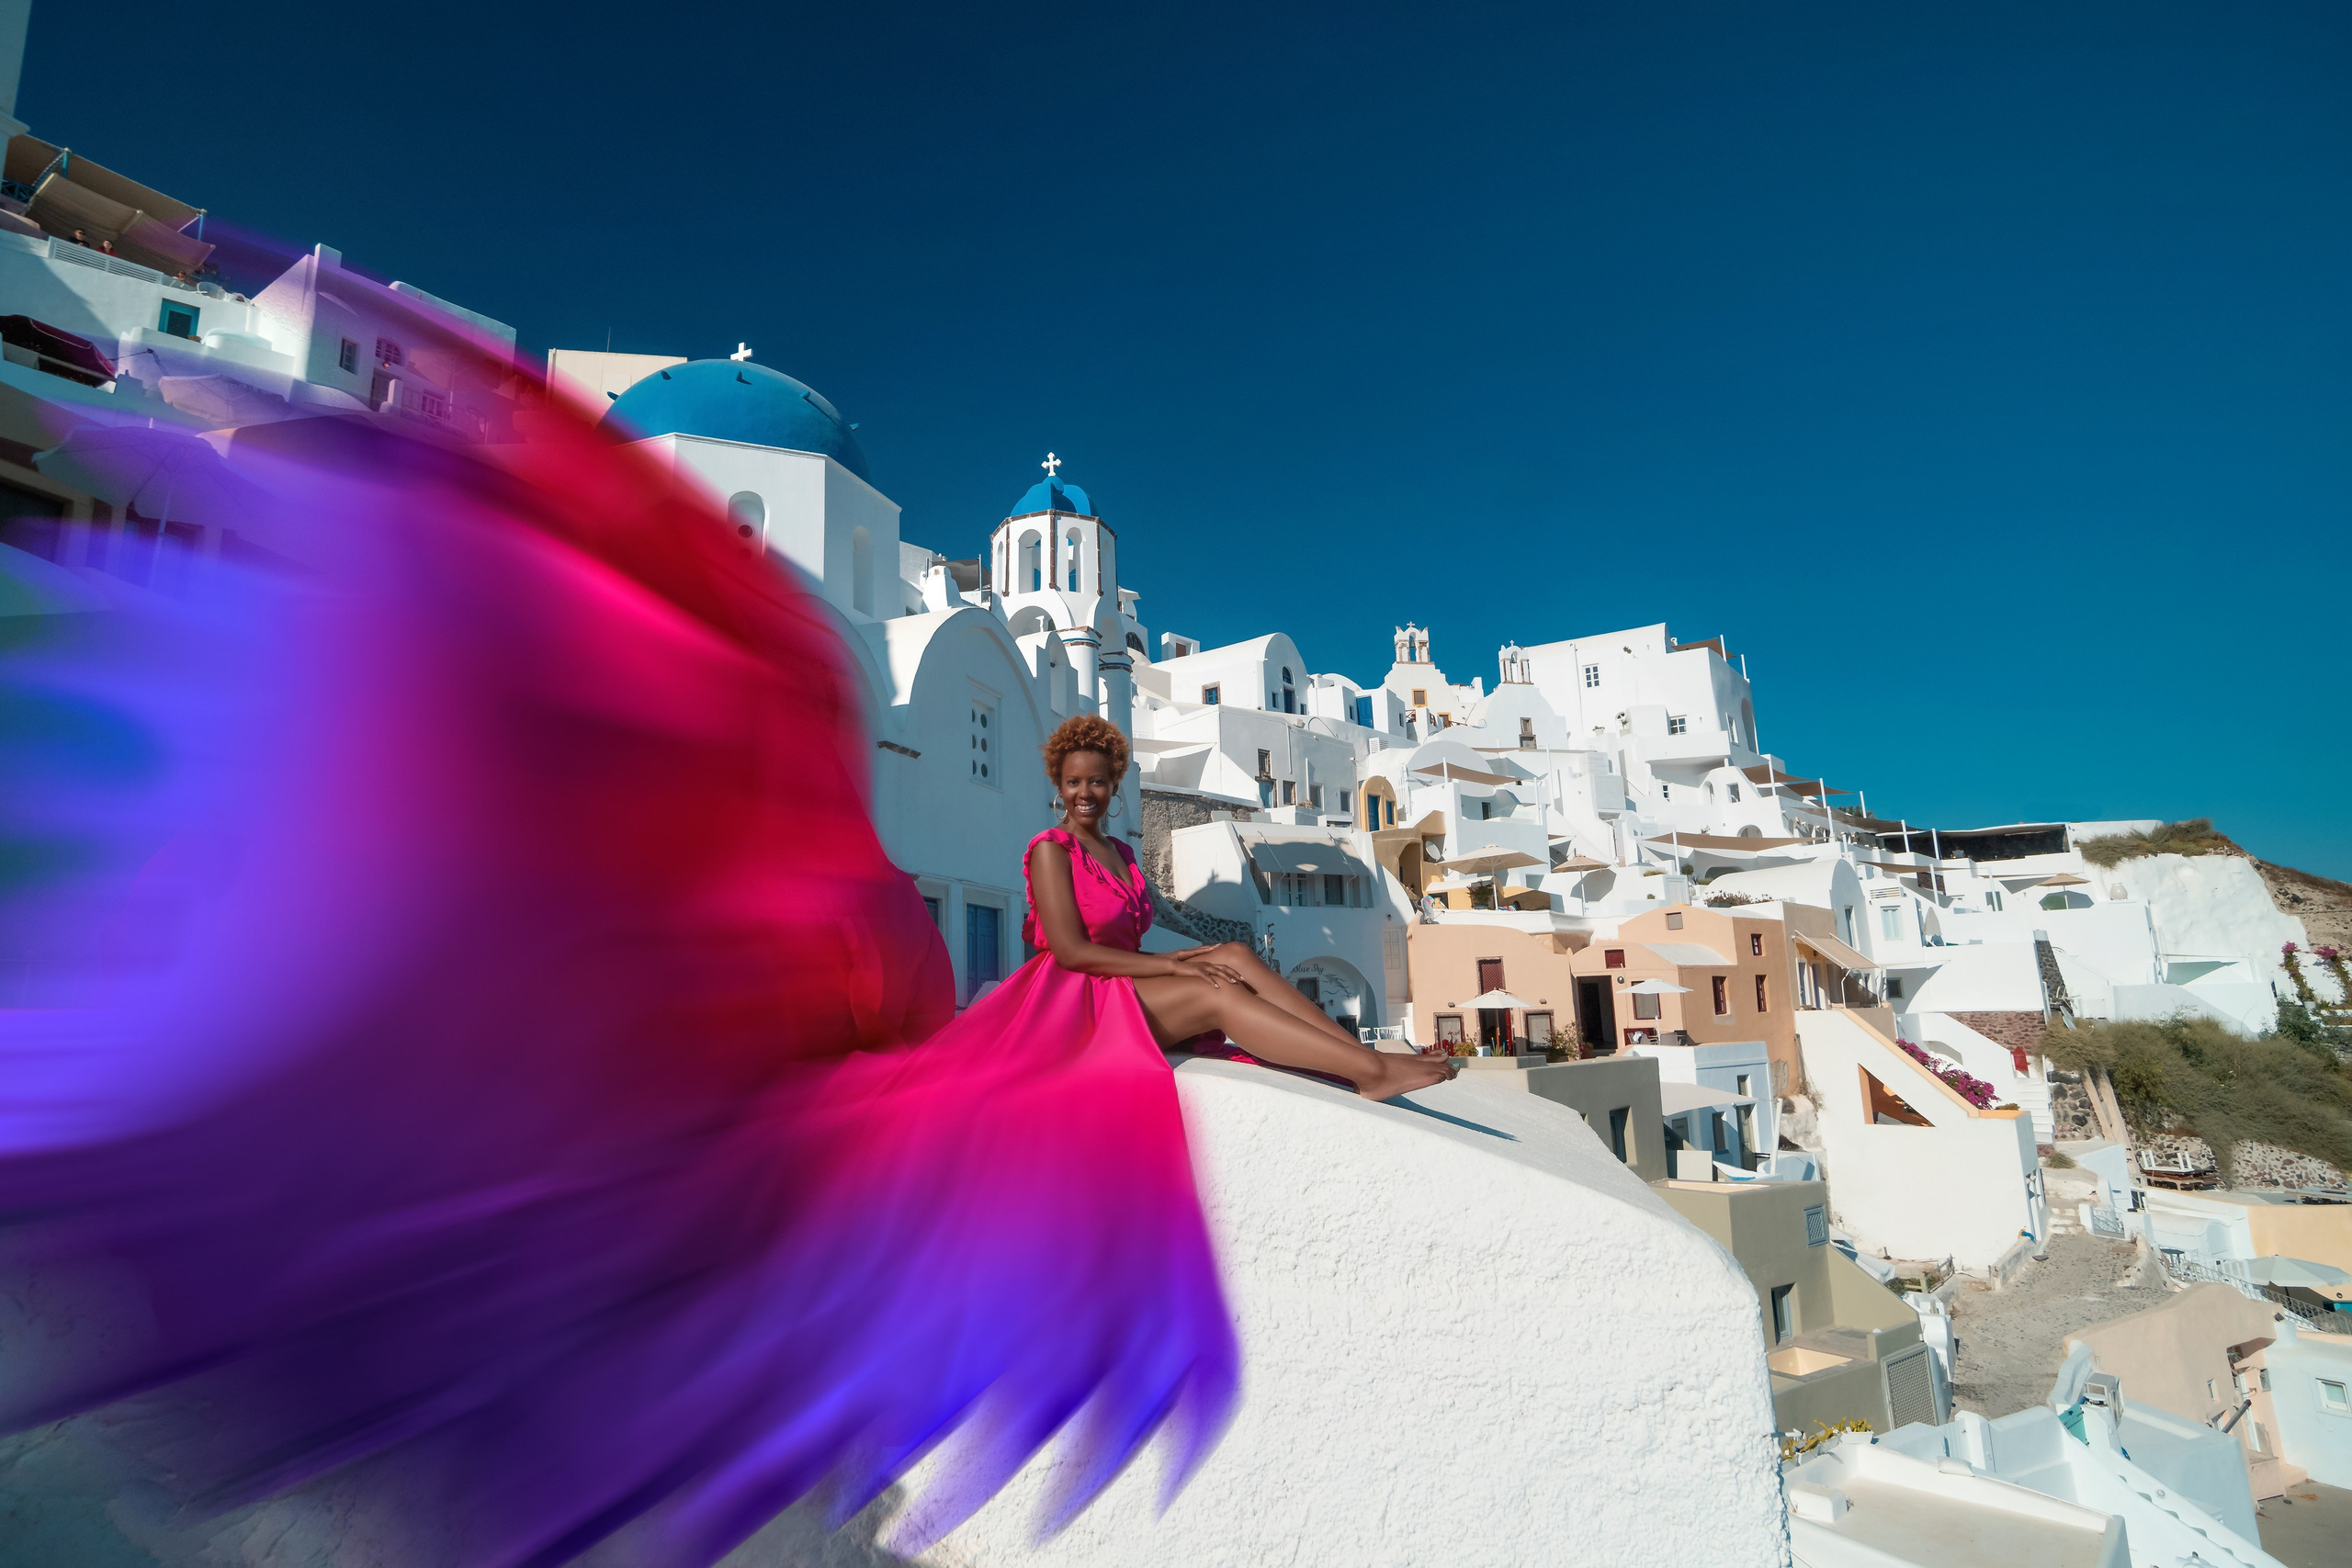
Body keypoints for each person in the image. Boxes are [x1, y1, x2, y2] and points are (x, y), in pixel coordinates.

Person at [1022, 713, 1454, 1100]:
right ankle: (1372, 1072)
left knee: (1233, 956)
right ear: (1058, 785)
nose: (1085, 793)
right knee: (1218, 989)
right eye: (1073, 782)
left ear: (1114, 783)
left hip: (1115, 984)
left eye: (1096, 781)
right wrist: (1175, 966)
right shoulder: (1051, 850)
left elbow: (1121, 948)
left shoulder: (1119, 851)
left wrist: (1179, 955)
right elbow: (1071, 952)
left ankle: (1362, 1052)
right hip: (1075, 1005)